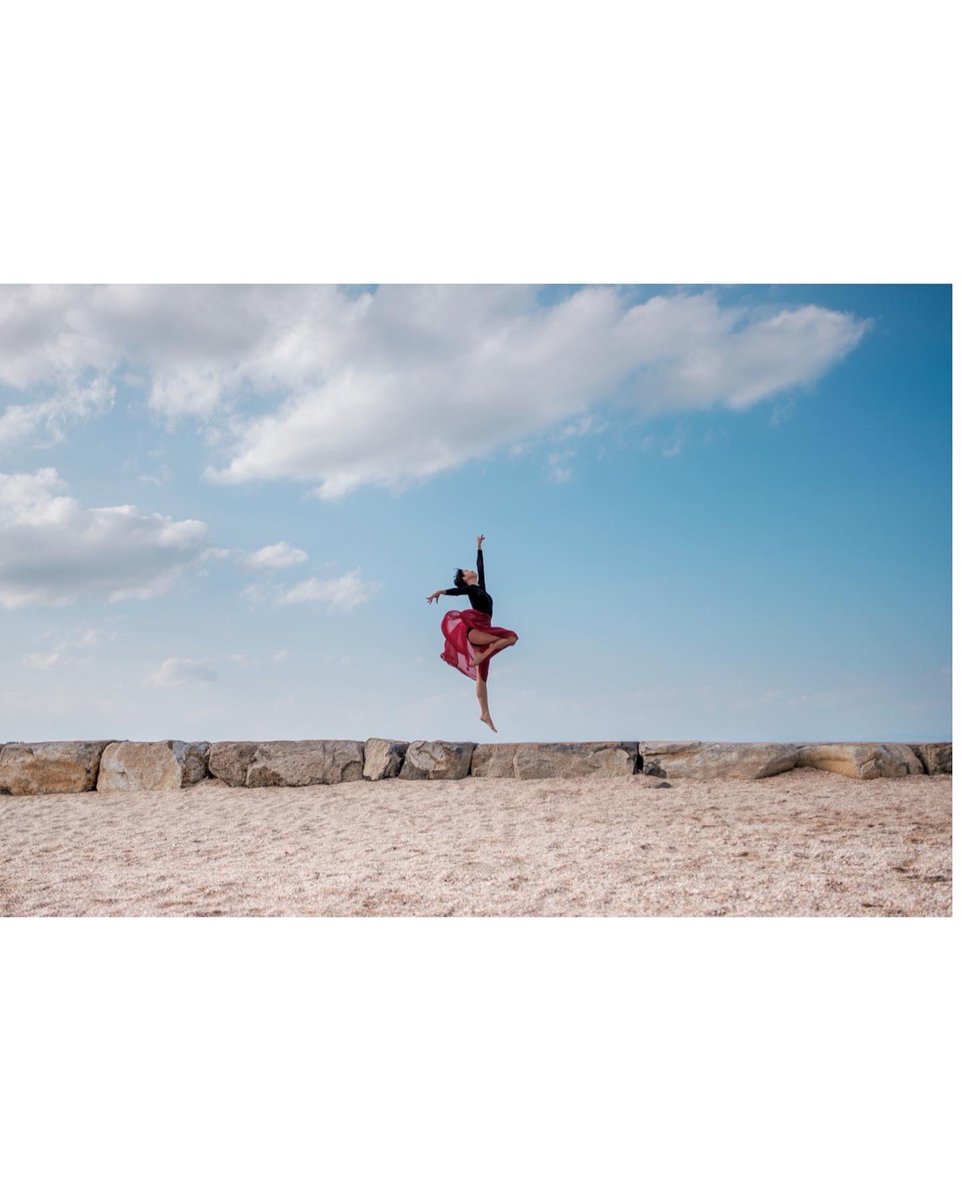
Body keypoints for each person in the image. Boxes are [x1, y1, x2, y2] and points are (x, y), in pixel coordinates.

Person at [426, 534, 519, 733]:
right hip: (477, 631)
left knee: (482, 677)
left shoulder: (480, 588)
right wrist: (439, 592)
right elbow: (455, 591)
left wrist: (478, 547)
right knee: (511, 637)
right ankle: (484, 654)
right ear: (465, 579)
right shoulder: (469, 590)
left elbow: (481, 567)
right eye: (467, 571)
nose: (471, 570)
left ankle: (484, 713)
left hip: (485, 630)